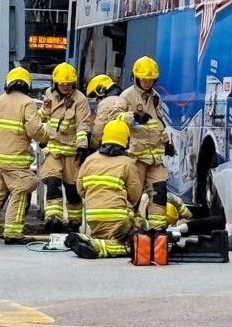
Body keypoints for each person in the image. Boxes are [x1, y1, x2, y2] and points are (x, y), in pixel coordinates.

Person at [0, 68, 47, 244]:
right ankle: (13, 233)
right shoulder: (27, 103)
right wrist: (47, 136)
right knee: (23, 188)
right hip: (17, 159)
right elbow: (35, 130)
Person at [65, 119, 142, 259]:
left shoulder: (90, 160)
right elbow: (134, 195)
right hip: (117, 216)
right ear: (126, 140)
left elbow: (80, 189)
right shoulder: (128, 163)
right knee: (133, 245)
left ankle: (86, 240)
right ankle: (96, 246)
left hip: (93, 215)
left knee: (103, 236)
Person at [115, 56, 174, 230]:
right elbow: (114, 117)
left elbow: (158, 123)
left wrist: (167, 142)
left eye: (151, 79)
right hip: (136, 158)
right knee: (133, 196)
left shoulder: (155, 97)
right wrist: (134, 117)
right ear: (136, 77)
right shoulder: (127, 96)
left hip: (154, 158)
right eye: (144, 79)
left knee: (160, 192)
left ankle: (157, 231)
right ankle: (128, 230)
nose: (148, 83)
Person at [39, 62, 92, 233]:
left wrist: (82, 146)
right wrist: (41, 134)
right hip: (53, 149)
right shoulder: (50, 94)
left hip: (71, 151)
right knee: (52, 182)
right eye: (62, 83)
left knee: (72, 189)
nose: (65, 87)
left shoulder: (80, 100)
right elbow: (44, 115)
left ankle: (74, 222)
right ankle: (53, 219)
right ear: (55, 83)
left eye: (68, 84)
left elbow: (83, 124)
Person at [87, 73, 124, 146]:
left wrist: (93, 144)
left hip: (109, 145)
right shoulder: (124, 97)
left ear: (100, 90)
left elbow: (99, 129)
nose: (96, 99)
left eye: (95, 95)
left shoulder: (105, 103)